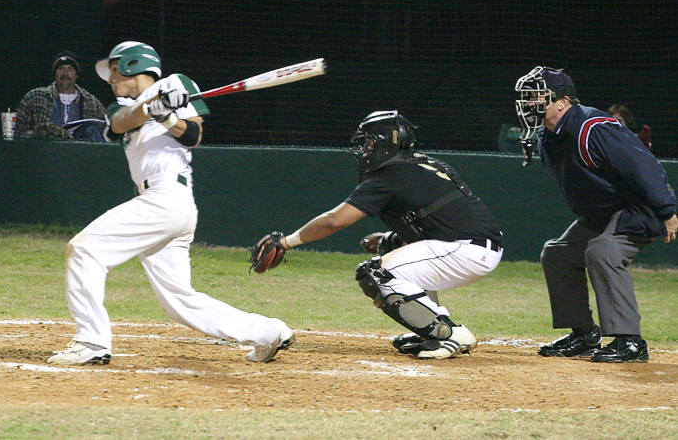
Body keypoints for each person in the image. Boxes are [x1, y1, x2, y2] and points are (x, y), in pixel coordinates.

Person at [48, 41, 294, 365]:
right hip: (160, 203)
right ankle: (267, 332)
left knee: (84, 249)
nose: (109, 78)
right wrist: (154, 108)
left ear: (133, 64)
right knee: (178, 300)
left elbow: (193, 135)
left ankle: (91, 342)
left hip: (166, 197)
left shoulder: (174, 84)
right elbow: (121, 122)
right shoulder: (120, 106)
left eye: (114, 69)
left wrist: (167, 118)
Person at [254, 110, 503, 360]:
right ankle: (432, 327)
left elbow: (333, 221)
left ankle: (448, 334)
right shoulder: (425, 164)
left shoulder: (390, 174)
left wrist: (287, 241)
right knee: (391, 256)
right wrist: (391, 239)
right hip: (472, 246)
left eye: (370, 141)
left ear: (387, 141)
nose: (364, 148)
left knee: (376, 273)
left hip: (465, 249)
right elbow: (438, 219)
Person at [515, 66, 677, 363]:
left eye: (537, 97)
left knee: (604, 252)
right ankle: (584, 333)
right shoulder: (549, 135)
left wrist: (667, 210)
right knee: (557, 254)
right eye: (527, 98)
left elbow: (643, 165)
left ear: (562, 101)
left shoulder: (594, 127)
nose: (529, 104)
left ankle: (630, 341)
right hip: (604, 212)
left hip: (638, 208)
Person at [14, 50, 107, 142]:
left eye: (70, 69)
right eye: (61, 68)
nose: (65, 73)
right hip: (42, 154)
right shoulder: (34, 97)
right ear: (55, 73)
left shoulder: (92, 103)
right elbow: (16, 132)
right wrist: (37, 134)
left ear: (76, 75)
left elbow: (107, 134)